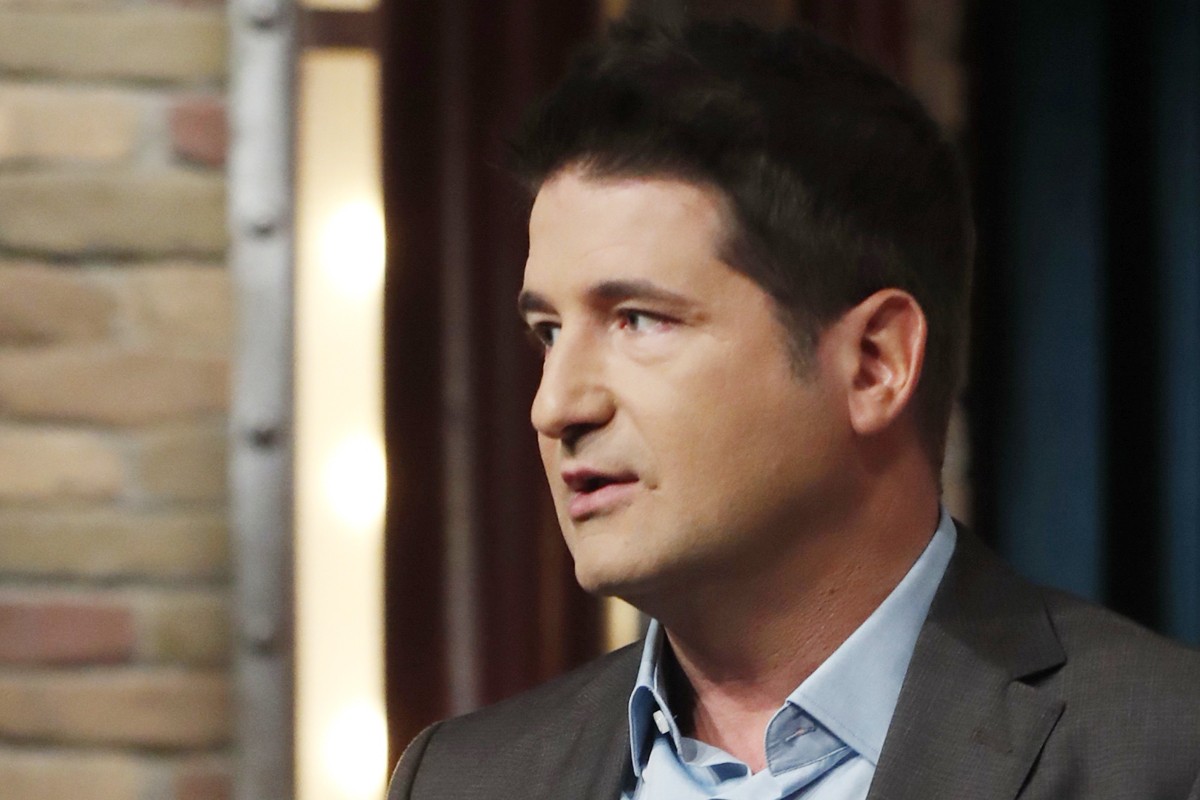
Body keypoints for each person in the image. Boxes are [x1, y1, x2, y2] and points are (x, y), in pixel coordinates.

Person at [389, 17, 1200, 800]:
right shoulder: (460, 781)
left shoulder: (1163, 754)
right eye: (548, 331)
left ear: (875, 364)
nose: (556, 405)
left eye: (638, 320)